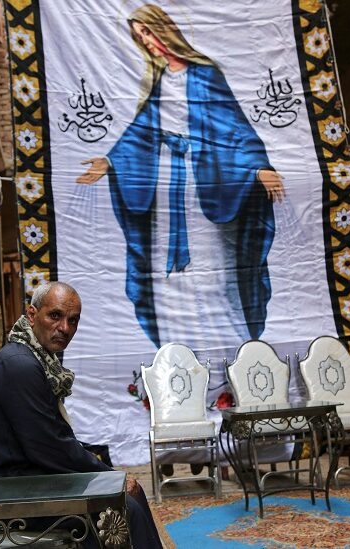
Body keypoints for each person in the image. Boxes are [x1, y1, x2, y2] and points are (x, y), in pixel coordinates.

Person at [76, 4, 284, 349]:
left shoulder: (205, 75)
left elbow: (233, 126)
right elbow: (140, 132)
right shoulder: (157, 82)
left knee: (212, 261)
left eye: (149, 31)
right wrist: (110, 162)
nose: (147, 41)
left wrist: (257, 166)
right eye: (140, 36)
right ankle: (176, 348)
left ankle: (228, 348)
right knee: (163, 266)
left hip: (201, 183)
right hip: (164, 186)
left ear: (165, 29)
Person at [0, 282, 163, 549]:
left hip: (35, 481)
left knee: (131, 495)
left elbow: (52, 440)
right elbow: (50, 448)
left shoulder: (31, 358)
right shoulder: (20, 366)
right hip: (15, 499)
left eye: (73, 321)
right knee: (125, 508)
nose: (65, 328)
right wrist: (109, 476)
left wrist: (106, 475)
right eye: (55, 316)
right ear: (31, 314)